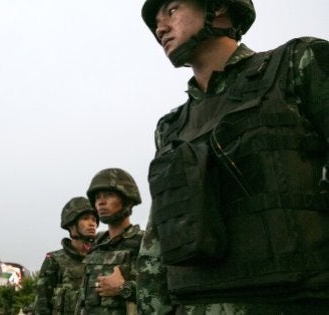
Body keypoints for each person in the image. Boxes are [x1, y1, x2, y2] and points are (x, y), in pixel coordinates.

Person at [138, 0, 329, 313]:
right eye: (156, 20)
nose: (160, 28)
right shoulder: (170, 128)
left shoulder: (297, 62)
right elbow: (158, 235)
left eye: (172, 10)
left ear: (220, 9)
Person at [76, 168, 143, 315]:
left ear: (127, 200)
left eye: (109, 195)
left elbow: (164, 297)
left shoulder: (145, 243)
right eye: (98, 197)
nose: (101, 202)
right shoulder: (96, 246)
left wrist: (123, 288)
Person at [35, 196, 98, 315]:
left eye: (94, 220)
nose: (92, 224)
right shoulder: (54, 260)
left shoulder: (101, 259)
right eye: (85, 219)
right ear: (71, 224)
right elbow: (42, 305)